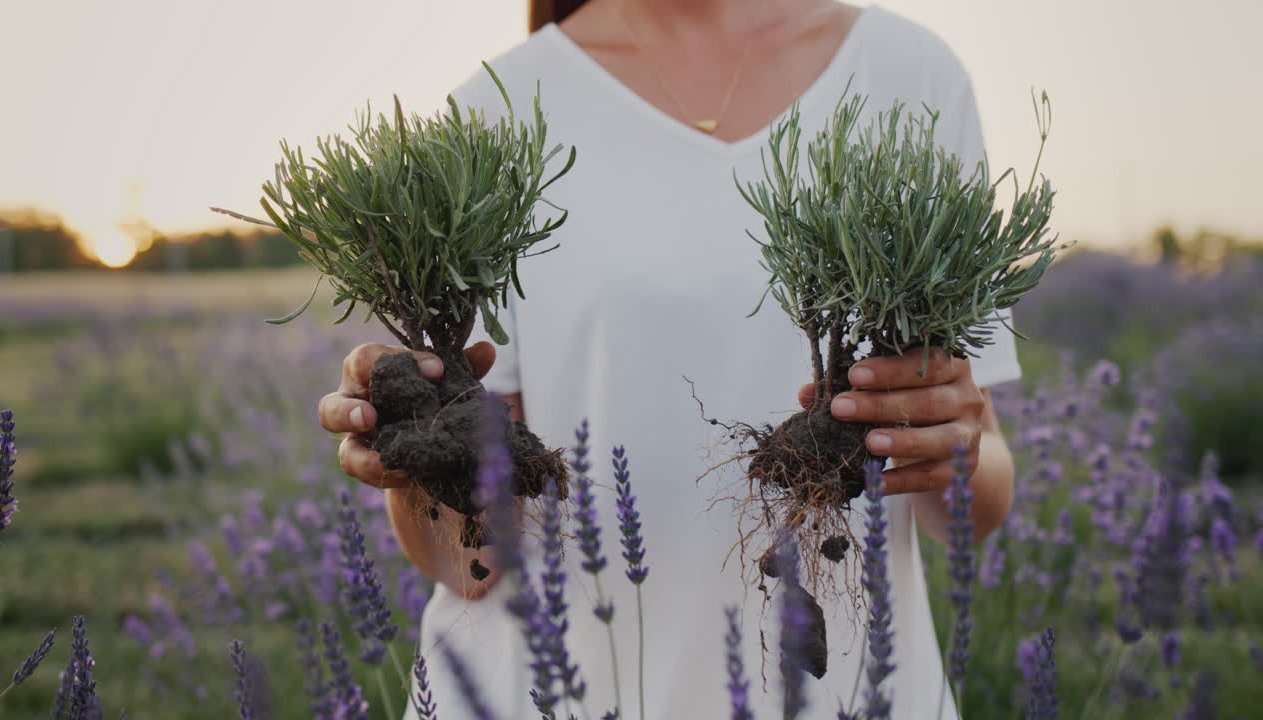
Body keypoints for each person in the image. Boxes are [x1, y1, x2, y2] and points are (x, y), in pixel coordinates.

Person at [317, 1, 1022, 717]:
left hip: (842, 689)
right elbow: (473, 563)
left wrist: (955, 449)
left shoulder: (912, 77)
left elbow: (975, 495)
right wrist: (412, 442)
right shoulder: (497, 108)